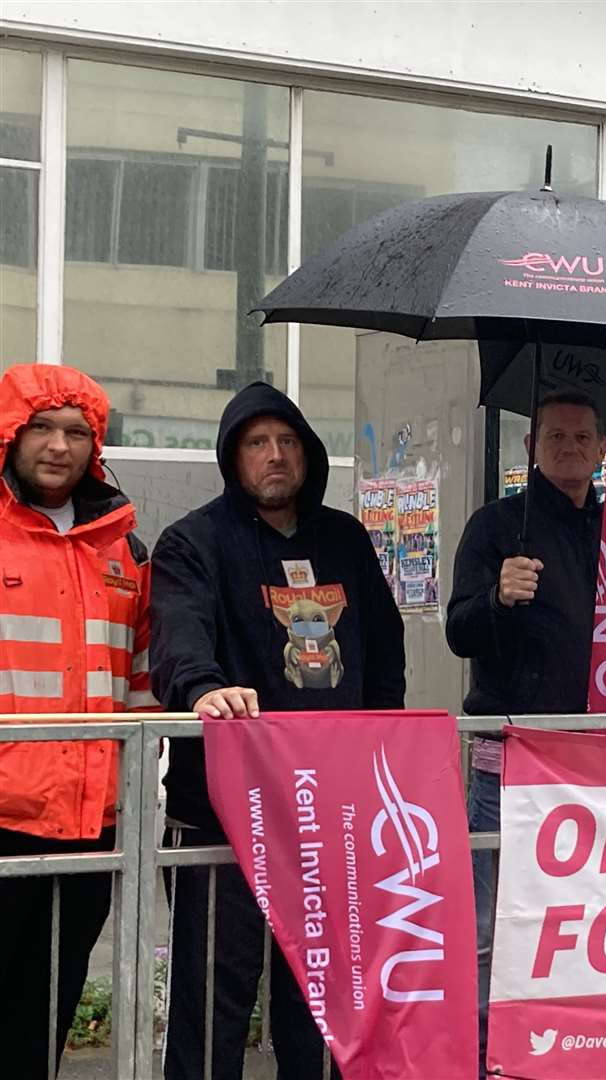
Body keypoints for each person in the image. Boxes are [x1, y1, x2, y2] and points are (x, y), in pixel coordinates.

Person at [151, 381, 405, 1080]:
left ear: (308, 453)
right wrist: (204, 690)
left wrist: (385, 737)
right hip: (226, 817)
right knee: (214, 997)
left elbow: (384, 652)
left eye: (288, 442)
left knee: (322, 997)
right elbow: (177, 638)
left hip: (335, 816)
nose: (274, 457)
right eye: (257, 444)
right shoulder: (193, 542)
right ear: (233, 458)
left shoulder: (344, 539)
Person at [0, 364, 155, 1078]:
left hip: (93, 821)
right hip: (5, 814)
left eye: (77, 432)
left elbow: (144, 683)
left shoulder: (122, 547)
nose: (59, 446)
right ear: (11, 433)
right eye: (42, 428)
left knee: (49, 1007)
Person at [446, 388, 605, 1061]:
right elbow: (458, 631)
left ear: (601, 449)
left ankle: (571, 1045)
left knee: (586, 915)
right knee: (491, 921)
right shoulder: (495, 527)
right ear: (529, 448)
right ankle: (486, 1053)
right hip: (508, 758)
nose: (569, 449)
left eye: (582, 438)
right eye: (555, 438)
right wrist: (496, 598)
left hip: (600, 761)